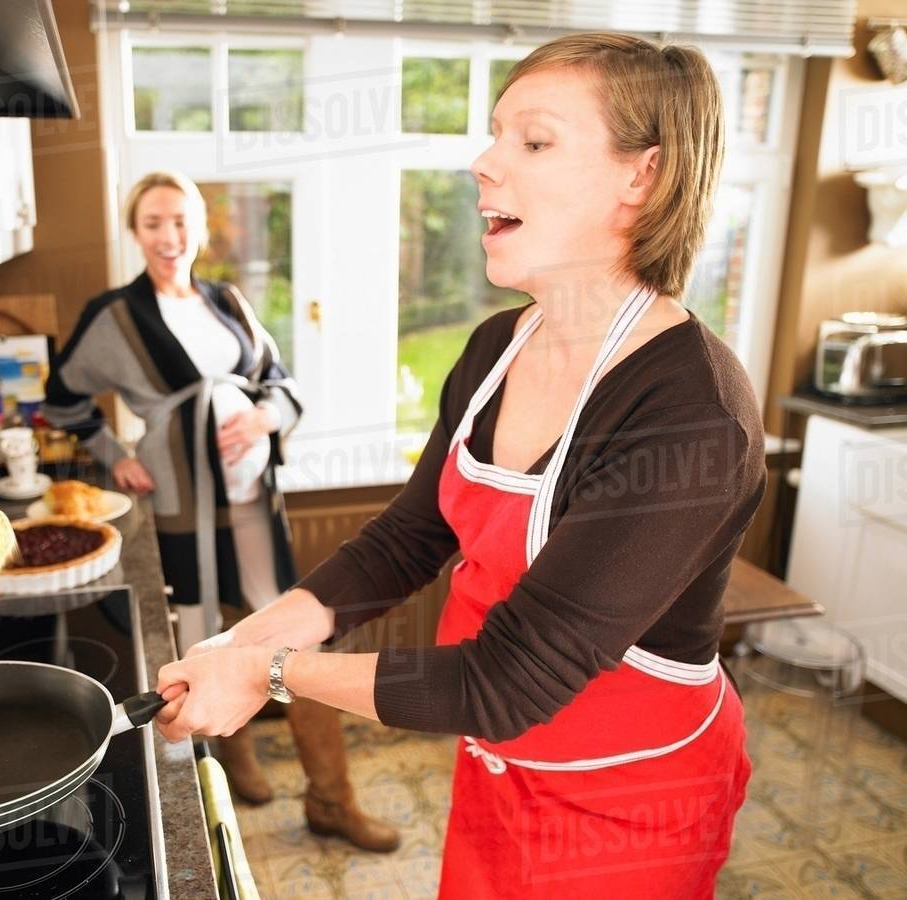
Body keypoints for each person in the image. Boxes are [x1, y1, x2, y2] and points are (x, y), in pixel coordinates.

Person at [153, 33, 767, 898]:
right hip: (497, 766)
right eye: (493, 135)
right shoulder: (495, 348)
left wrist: (269, 672)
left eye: (534, 141)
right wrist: (242, 638)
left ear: (644, 177)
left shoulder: (693, 412)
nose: (483, 163)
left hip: (631, 807)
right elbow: (410, 537)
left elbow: (508, 678)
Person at [43, 170, 399, 853]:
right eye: (153, 223)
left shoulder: (228, 301)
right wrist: (114, 450)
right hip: (181, 512)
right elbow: (63, 399)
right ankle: (236, 766)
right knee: (201, 641)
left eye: (180, 222)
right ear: (134, 230)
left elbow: (281, 382)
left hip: (252, 507)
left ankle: (333, 800)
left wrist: (263, 418)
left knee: (295, 643)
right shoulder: (112, 317)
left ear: (198, 228)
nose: (169, 237)